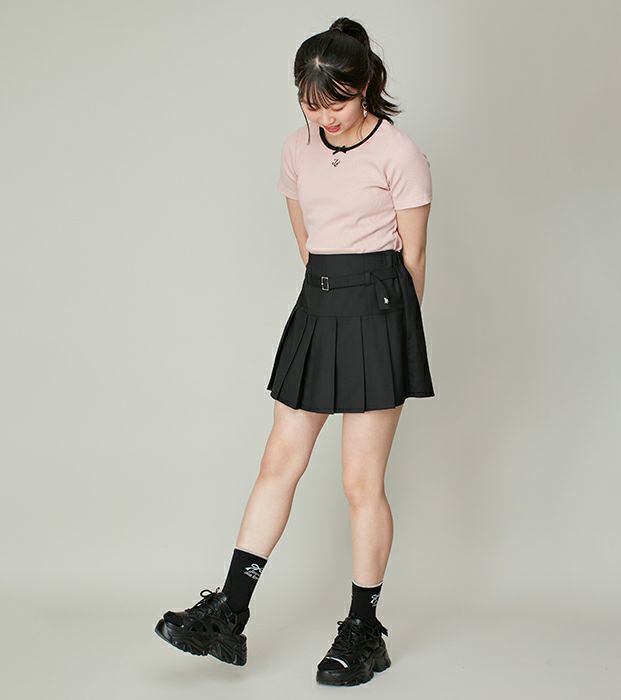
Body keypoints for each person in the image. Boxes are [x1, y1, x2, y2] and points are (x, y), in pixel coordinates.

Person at [154, 16, 436, 687]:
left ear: (365, 86)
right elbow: (307, 241)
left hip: (379, 310)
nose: (323, 117)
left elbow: (415, 257)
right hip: (318, 302)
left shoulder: (400, 154)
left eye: (335, 103)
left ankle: (363, 631)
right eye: (310, 104)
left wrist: (394, 340)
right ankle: (229, 613)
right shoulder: (297, 148)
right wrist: (325, 297)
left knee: (360, 482)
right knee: (278, 460)